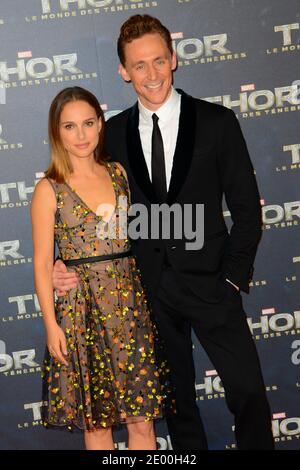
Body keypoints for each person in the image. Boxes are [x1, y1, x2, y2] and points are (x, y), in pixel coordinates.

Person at [52, 15, 274, 450]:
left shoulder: (217, 122)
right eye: (139, 65)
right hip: (148, 294)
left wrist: (232, 276)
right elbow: (82, 201)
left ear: (174, 59)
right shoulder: (109, 134)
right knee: (177, 406)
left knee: (248, 393)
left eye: (158, 61)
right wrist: (63, 261)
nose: (150, 74)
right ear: (124, 71)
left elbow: (248, 210)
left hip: (214, 284)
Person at [31, 86, 172, 450]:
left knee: (142, 420)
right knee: (98, 426)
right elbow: (42, 262)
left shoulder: (118, 173)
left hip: (129, 309)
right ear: (56, 132)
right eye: (70, 126)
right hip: (81, 314)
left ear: (100, 125)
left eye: (88, 123)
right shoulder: (50, 189)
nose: (81, 135)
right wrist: (50, 324)